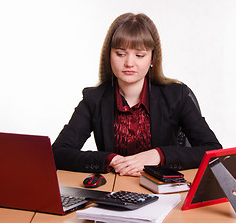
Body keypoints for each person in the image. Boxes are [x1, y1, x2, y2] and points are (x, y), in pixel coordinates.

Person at [52, 12, 221, 176]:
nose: (129, 63)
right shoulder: (94, 99)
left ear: (152, 59)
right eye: (120, 54)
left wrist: (158, 155)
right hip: (115, 191)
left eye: (139, 55)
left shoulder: (176, 95)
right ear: (109, 56)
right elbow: (58, 152)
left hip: (163, 190)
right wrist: (110, 159)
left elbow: (213, 149)